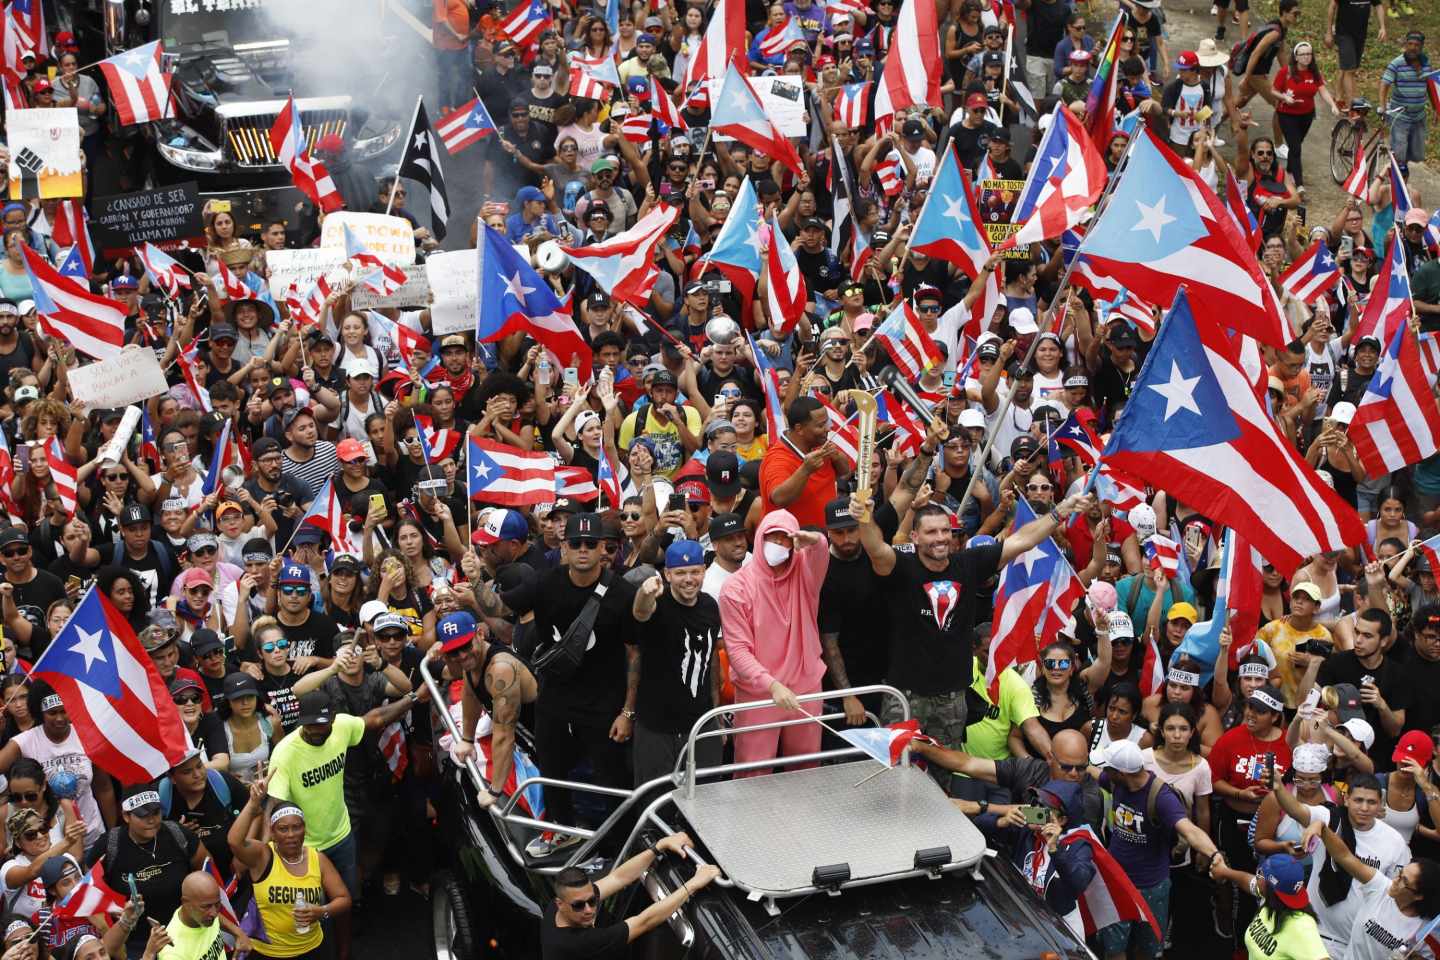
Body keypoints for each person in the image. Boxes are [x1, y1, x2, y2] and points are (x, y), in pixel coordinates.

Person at [499, 512, 638, 857]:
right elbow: (500, 606)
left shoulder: (622, 592)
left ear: (603, 548)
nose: (583, 550)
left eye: (591, 544)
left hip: (605, 704)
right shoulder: (546, 583)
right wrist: (474, 586)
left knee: (613, 781)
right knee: (551, 770)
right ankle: (561, 832)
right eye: (576, 543)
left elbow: (636, 655)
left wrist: (627, 712)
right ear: (564, 546)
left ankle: (621, 846)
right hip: (556, 700)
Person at [719, 511, 827, 774]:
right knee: (753, 770)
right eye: (772, 538)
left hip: (806, 685)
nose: (778, 545)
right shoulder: (736, 587)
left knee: (805, 768)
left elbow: (821, 552)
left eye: (785, 539)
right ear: (759, 539)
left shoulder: (804, 571)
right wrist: (772, 685)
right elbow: (738, 651)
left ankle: (801, 817)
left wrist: (812, 539)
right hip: (759, 692)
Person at [227, 778, 353, 960]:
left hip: (311, 950)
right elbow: (234, 841)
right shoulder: (263, 856)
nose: (291, 835)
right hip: (267, 953)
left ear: (305, 830)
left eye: (296, 827)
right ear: (272, 832)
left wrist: (321, 911)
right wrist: (253, 803)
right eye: (283, 829)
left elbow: (343, 898)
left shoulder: (317, 859)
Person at [540, 832, 721, 959]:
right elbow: (645, 921)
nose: (589, 910)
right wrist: (693, 884)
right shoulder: (580, 943)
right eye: (579, 905)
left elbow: (618, 878)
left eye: (593, 901)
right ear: (560, 904)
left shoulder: (561, 906)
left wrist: (659, 846)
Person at [631, 540, 722, 785]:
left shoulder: (710, 606)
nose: (688, 579)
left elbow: (711, 658)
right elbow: (640, 612)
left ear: (704, 570)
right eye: (680, 573)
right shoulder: (657, 605)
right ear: (667, 574)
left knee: (705, 797)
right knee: (657, 800)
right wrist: (645, 592)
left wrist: (716, 711)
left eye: (694, 571)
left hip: (700, 724)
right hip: (657, 726)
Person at [87, 783, 207, 960]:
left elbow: (205, 870)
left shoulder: (177, 834)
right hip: (136, 943)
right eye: (143, 816)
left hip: (184, 931)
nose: (152, 821)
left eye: (156, 813)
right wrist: (111, 911)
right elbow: (89, 887)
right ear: (126, 816)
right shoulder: (109, 845)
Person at [1210, 852, 1329, 960]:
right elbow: (1249, 882)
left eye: (1260, 874)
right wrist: (1224, 871)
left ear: (1271, 885)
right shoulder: (1271, 899)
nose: (1257, 876)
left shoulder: (1301, 926)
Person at [157, 870, 254, 960]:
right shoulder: (172, 953)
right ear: (185, 903)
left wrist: (238, 933)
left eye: (217, 904)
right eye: (206, 907)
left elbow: (218, 917)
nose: (214, 913)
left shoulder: (201, 915)